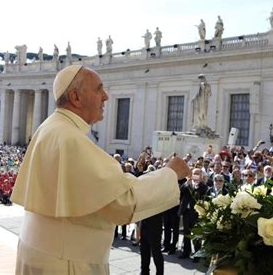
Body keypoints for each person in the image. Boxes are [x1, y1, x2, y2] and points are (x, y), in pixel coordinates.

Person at [11, 65, 190, 275]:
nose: (105, 97)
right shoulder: (70, 139)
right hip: (67, 262)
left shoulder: (51, 128)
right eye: (98, 89)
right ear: (76, 97)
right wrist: (170, 173)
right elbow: (122, 203)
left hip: (44, 252)